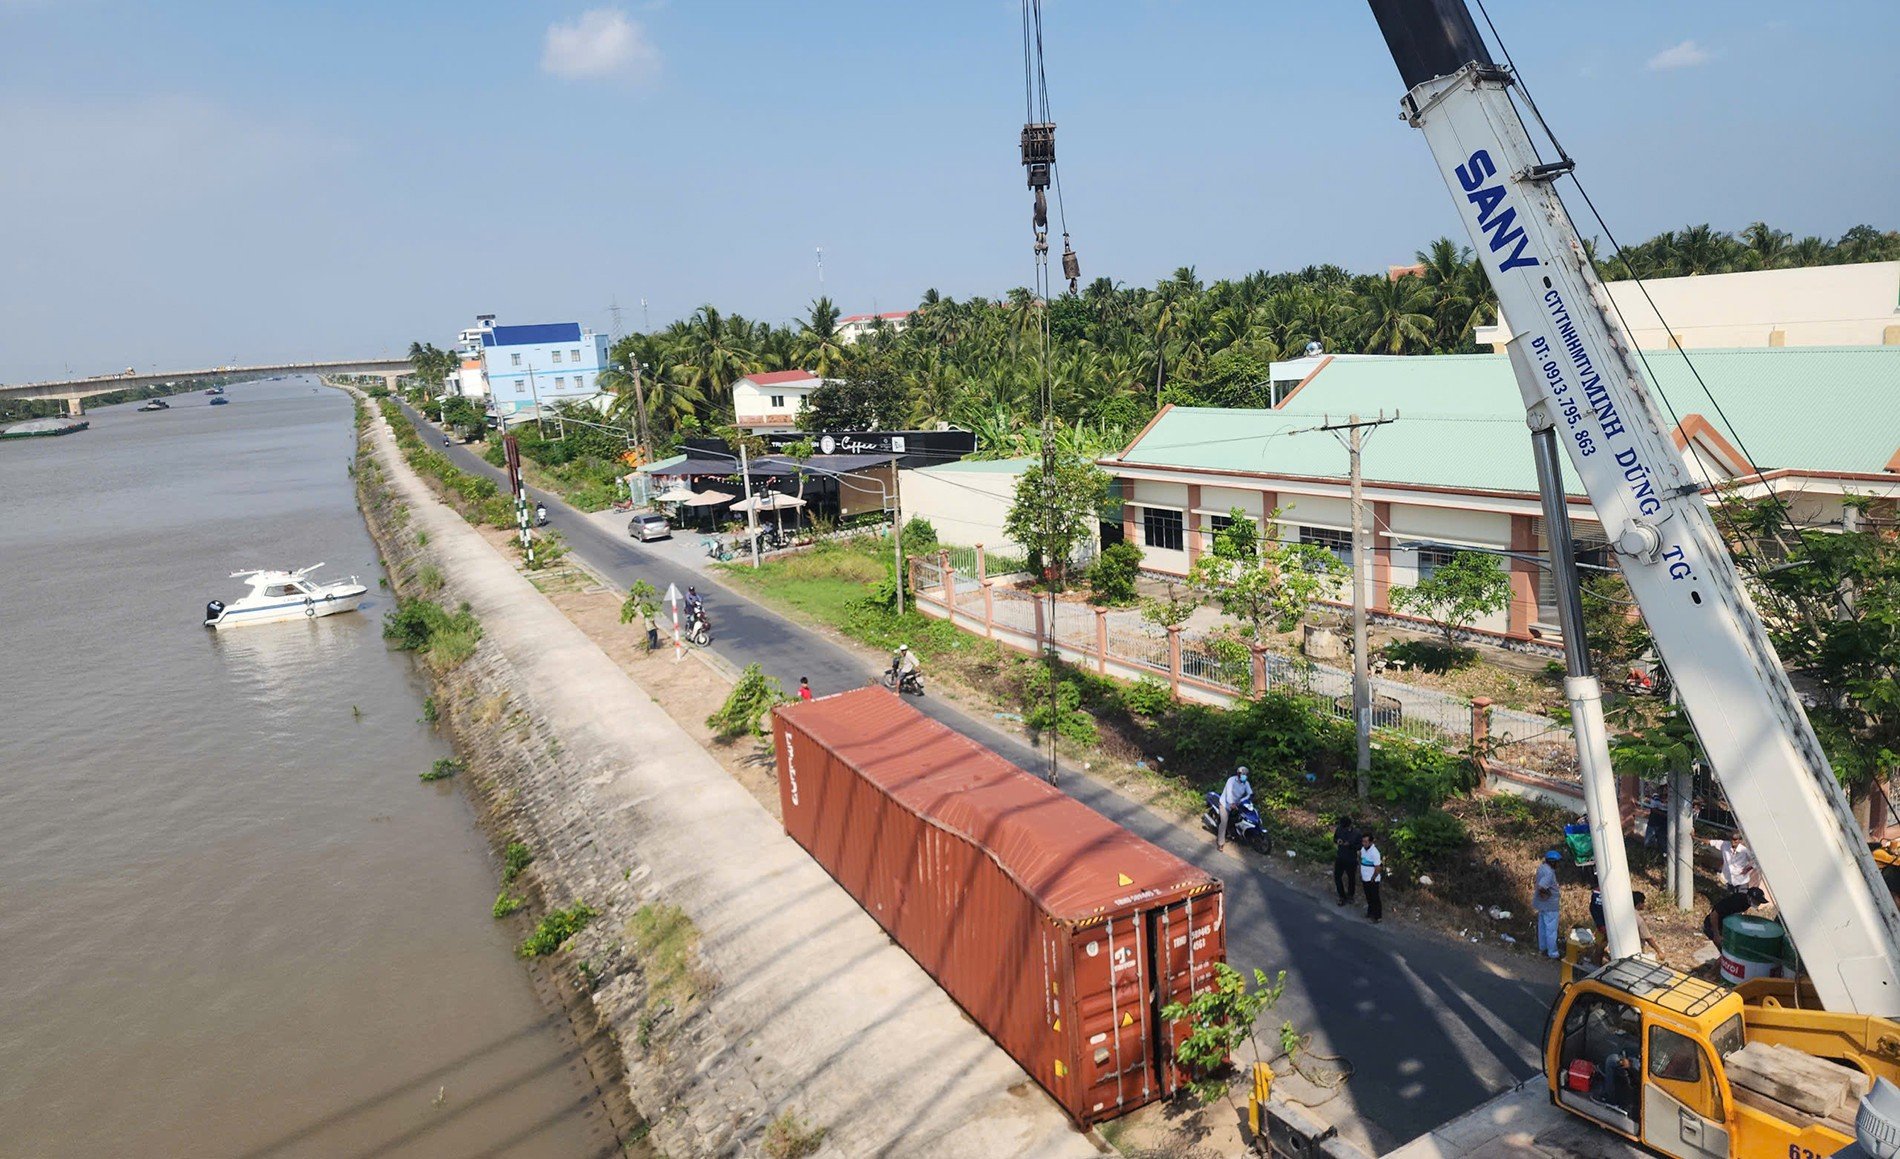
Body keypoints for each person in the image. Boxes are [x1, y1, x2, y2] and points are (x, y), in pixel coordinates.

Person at [1702, 885, 1768, 946]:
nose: (1758, 904)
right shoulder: (1736, 901)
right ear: (1750, 898)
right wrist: (1716, 935)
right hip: (1713, 925)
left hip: (1724, 926)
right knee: (1725, 948)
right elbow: (1714, 914)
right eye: (1757, 901)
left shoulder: (1747, 903)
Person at [1534, 850, 1563, 959]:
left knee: (1542, 928)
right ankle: (1553, 953)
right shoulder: (1549, 873)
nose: (1558, 864)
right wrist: (1549, 894)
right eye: (1557, 862)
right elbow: (1542, 886)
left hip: (1542, 904)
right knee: (1551, 930)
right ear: (1553, 862)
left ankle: (1543, 949)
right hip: (1550, 906)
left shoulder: (1542, 868)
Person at [1215, 767, 1252, 851]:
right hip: (1225, 804)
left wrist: (1248, 798)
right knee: (1224, 822)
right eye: (1243, 774)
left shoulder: (1246, 783)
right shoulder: (1231, 780)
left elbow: (1250, 793)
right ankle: (1220, 843)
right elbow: (1229, 794)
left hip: (1237, 805)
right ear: (1238, 774)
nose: (1244, 776)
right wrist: (1231, 803)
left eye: (1246, 775)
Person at [1332, 815, 1362, 906]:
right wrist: (1338, 841)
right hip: (1340, 857)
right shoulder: (1339, 829)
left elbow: (1359, 846)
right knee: (1337, 877)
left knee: (1351, 878)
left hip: (1351, 859)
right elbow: (1335, 839)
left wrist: (1350, 845)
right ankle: (1342, 896)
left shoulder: (1356, 833)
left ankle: (1350, 895)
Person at [1360, 832, 1384, 923]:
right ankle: (1370, 912)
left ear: (1370, 842)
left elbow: (1378, 868)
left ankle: (1378, 916)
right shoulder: (1363, 849)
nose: (1364, 843)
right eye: (1363, 841)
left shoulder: (1375, 852)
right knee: (1368, 897)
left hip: (1373, 879)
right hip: (1365, 878)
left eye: (1366, 842)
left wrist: (1373, 878)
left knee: (1375, 898)